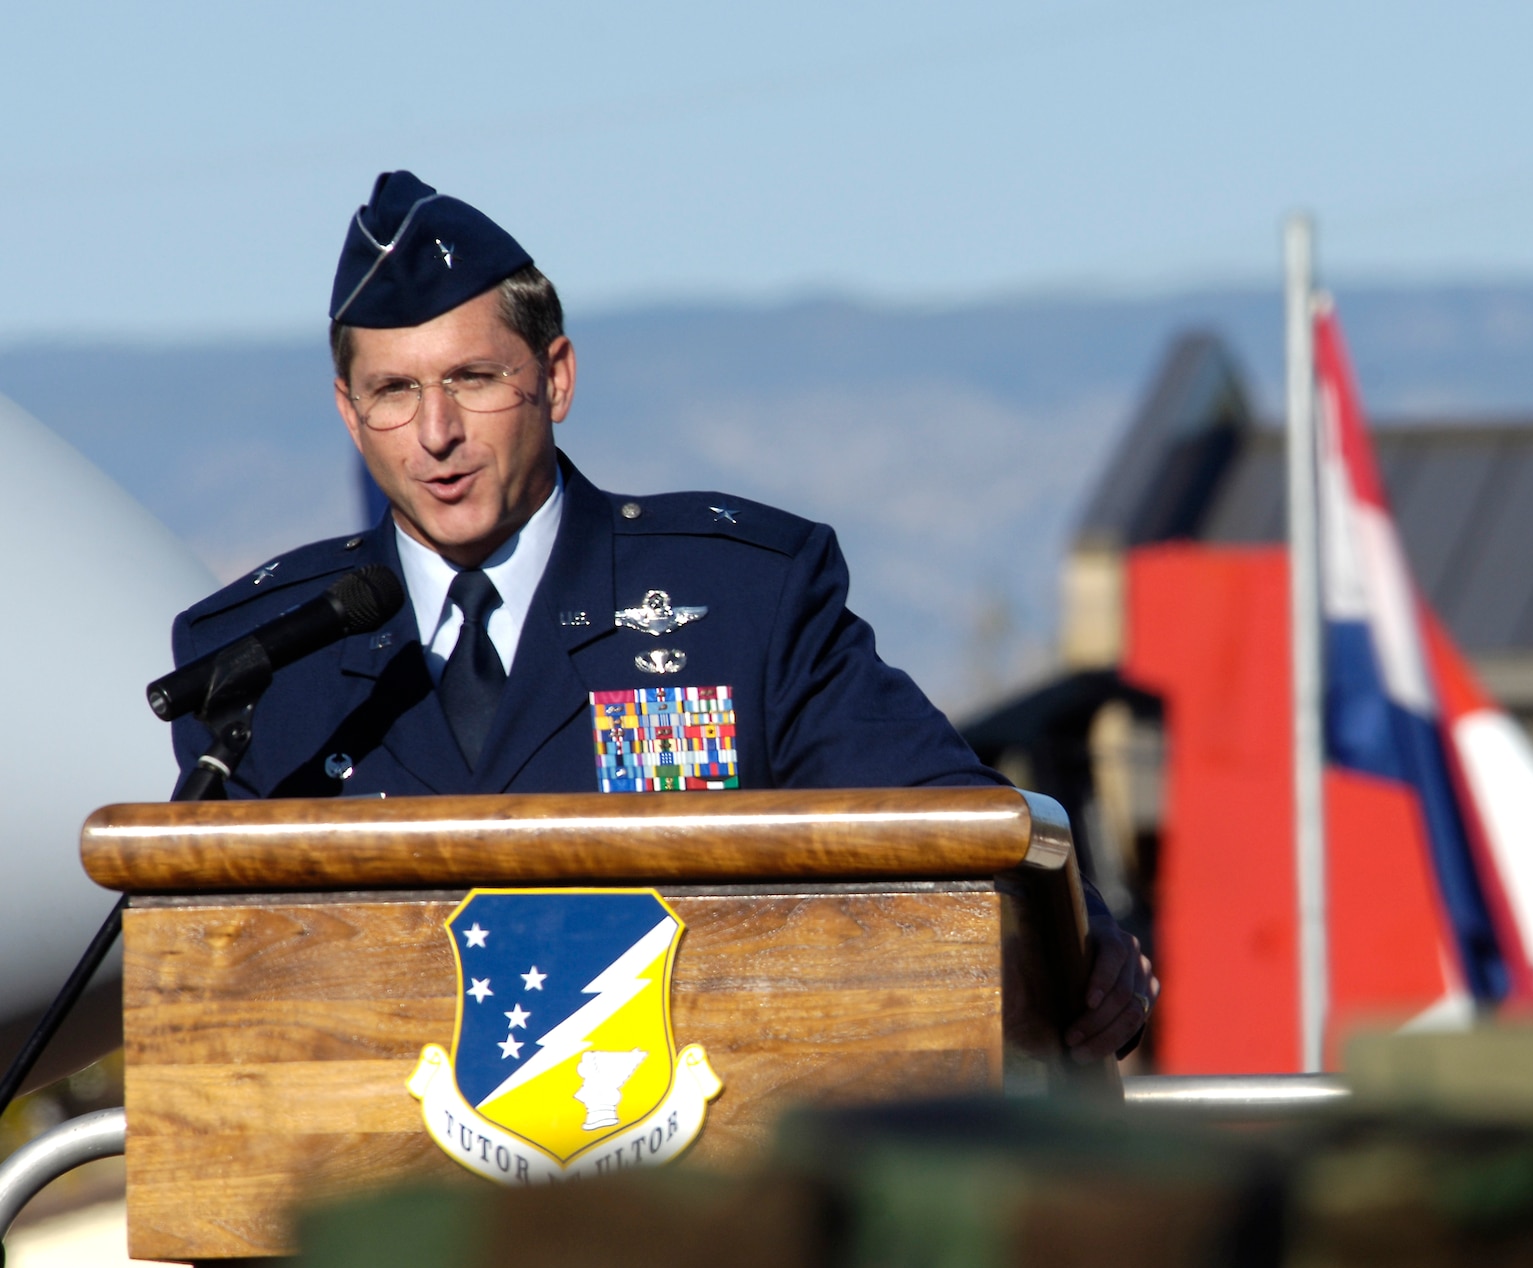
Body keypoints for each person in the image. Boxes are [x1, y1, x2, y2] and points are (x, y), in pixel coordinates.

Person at [168, 170, 1154, 1061]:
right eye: (394, 390)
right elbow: (211, 979)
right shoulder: (265, 661)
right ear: (348, 411)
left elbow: (949, 818)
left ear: (553, 377)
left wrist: (1080, 944)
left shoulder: (743, 600)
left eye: (473, 379)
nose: (435, 433)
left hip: (693, 1206)